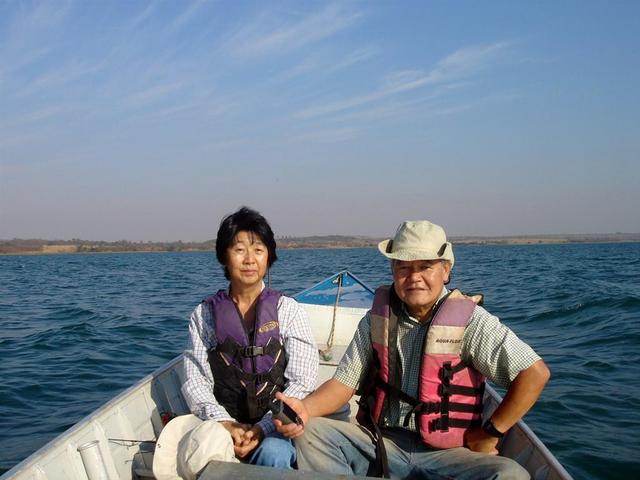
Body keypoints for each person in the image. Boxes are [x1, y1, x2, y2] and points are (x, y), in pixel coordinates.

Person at [275, 220, 550, 479]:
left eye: (425, 266)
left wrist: (491, 432)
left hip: (451, 453)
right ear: (393, 271)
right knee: (308, 431)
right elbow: (342, 385)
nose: (414, 277)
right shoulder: (375, 320)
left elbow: (534, 374)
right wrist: (304, 408)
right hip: (383, 444)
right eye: (403, 268)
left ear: (446, 270)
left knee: (511, 475)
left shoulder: (472, 322)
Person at [181, 206, 319, 469]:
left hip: (276, 425)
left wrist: (264, 428)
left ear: (269, 257)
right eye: (239, 249)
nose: (249, 260)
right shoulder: (204, 315)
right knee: (203, 455)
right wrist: (226, 424)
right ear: (224, 256)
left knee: (273, 455)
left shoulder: (288, 311)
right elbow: (195, 381)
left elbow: (302, 381)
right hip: (222, 422)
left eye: (258, 250)